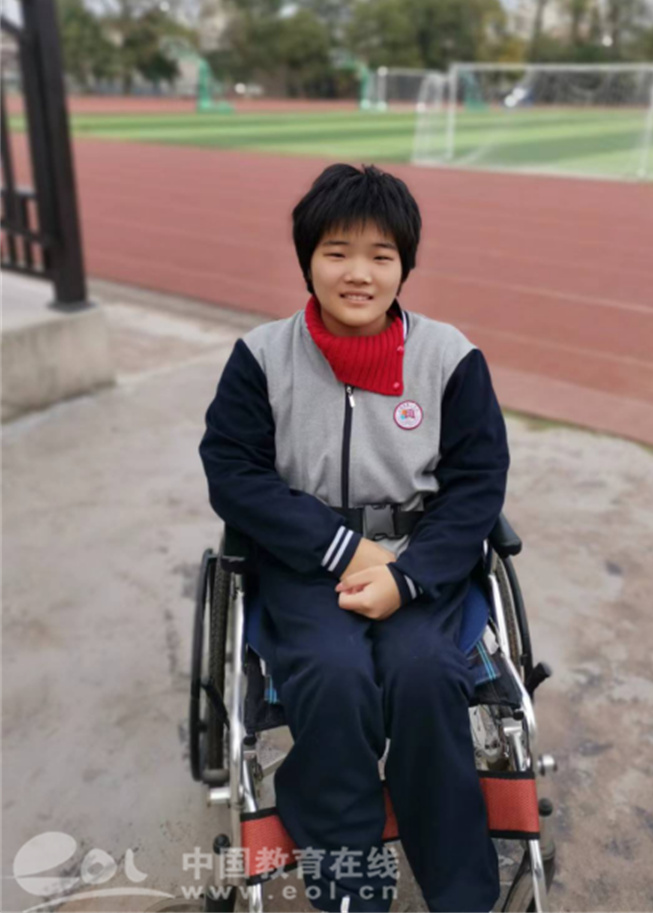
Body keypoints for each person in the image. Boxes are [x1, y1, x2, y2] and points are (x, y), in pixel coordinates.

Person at [199, 163, 510, 913]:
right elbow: (232, 472)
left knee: (424, 674)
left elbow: (478, 484)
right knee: (334, 678)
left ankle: (462, 895)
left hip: (421, 561)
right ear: (308, 259)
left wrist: (408, 576)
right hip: (303, 562)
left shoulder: (449, 357)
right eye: (337, 252)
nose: (359, 273)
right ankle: (351, 890)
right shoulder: (262, 356)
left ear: (405, 265)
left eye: (381, 255)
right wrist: (339, 549)